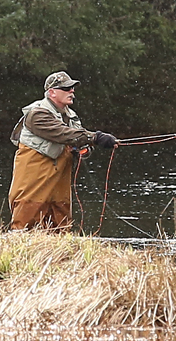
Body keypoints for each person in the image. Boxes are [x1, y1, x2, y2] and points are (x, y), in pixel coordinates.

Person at [8, 71, 119, 230]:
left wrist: (84, 149)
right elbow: (63, 134)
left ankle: (58, 253)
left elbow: (77, 138)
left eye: (72, 88)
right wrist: (97, 137)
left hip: (59, 174)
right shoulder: (37, 114)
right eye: (67, 88)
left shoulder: (71, 116)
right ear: (51, 92)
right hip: (34, 172)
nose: (72, 91)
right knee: (27, 216)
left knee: (60, 220)